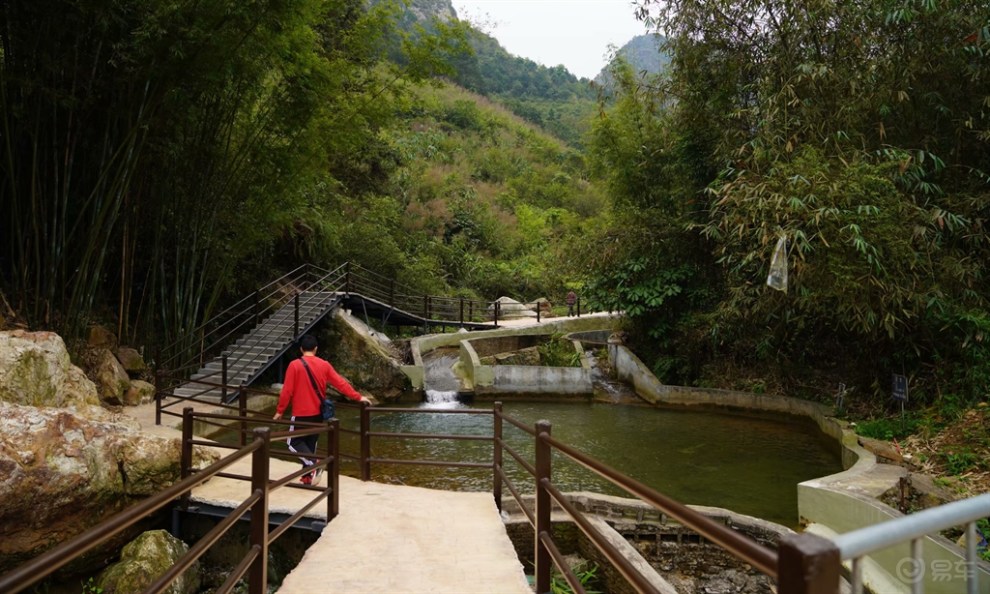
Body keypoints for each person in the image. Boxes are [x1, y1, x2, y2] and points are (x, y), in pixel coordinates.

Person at [273, 334, 370, 485]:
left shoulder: (294, 365)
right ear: (316, 349)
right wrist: (358, 397)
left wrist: (280, 410)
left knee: (293, 442)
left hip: (300, 413)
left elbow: (287, 391)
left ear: (301, 349)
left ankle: (315, 463)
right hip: (318, 413)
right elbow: (340, 383)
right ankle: (307, 477)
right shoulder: (324, 365)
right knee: (310, 444)